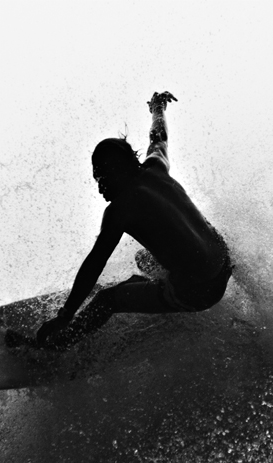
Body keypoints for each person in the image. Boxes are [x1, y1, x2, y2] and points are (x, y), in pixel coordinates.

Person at [35, 91, 232, 350]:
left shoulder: (120, 209)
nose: (99, 189)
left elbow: (95, 262)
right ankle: (152, 288)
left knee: (107, 300)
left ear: (116, 169)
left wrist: (65, 315)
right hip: (224, 264)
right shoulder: (156, 167)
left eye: (101, 179)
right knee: (143, 259)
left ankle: (56, 348)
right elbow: (158, 137)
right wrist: (157, 108)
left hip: (199, 291)